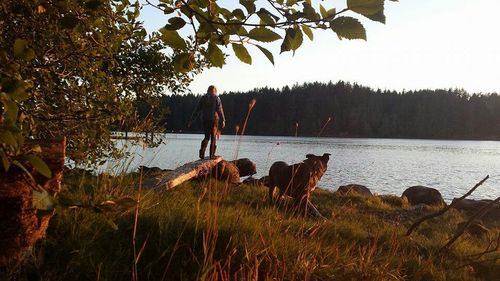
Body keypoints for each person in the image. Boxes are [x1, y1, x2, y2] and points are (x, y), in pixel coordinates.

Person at [189, 85, 226, 159]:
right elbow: (219, 110)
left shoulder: (203, 98)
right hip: (214, 120)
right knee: (213, 137)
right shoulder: (216, 98)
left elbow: (197, 110)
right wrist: (223, 120)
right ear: (215, 90)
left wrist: (191, 120)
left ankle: (202, 152)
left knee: (206, 137)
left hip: (205, 120)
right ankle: (211, 155)